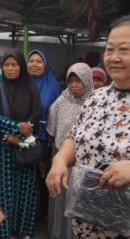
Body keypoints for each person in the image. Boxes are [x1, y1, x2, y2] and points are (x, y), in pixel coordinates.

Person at [46, 15, 130, 238]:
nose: (114, 57)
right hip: (87, 222)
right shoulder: (96, 97)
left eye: (124, 50)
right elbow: (75, 137)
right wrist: (60, 159)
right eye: (110, 49)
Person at [0, 49, 42, 239]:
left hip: (25, 147)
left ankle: (23, 230)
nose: (9, 69)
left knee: (25, 193)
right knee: (4, 194)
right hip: (3, 149)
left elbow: (36, 115)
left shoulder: (31, 89)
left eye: (14, 65)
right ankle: (3, 232)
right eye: (6, 65)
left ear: (21, 67)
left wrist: (19, 138)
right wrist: (15, 128)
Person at [46, 62, 93, 239]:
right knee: (60, 197)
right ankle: (58, 233)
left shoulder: (94, 103)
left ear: (87, 81)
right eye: (71, 81)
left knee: (77, 198)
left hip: (84, 162)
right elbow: (52, 128)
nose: (73, 85)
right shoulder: (62, 100)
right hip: (60, 157)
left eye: (78, 81)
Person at [26, 49, 62, 217]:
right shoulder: (21, 83)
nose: (34, 65)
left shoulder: (54, 86)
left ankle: (42, 216)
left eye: (39, 61)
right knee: (26, 179)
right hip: (21, 138)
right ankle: (27, 214)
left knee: (42, 179)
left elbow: (57, 115)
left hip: (43, 140)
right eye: (31, 61)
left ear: (45, 64)